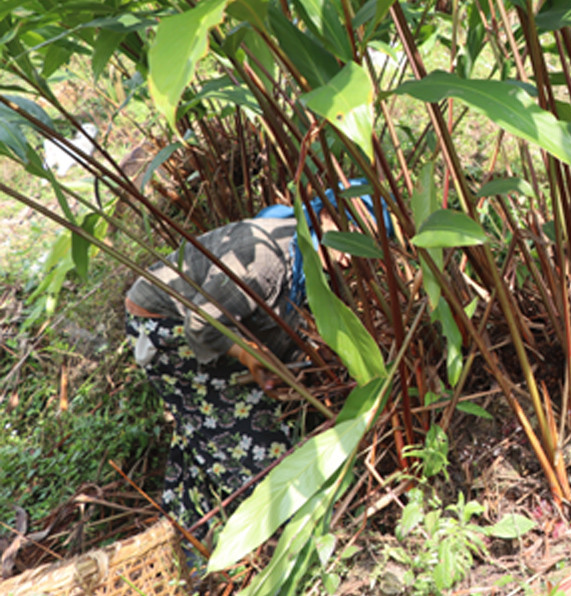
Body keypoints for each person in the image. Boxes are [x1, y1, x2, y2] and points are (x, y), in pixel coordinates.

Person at [124, 187, 386, 535]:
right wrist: (247, 354)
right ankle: (289, 529)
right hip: (164, 325)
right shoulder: (261, 260)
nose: (350, 258)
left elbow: (271, 315)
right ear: (325, 218)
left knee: (206, 426)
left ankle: (189, 531)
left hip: (202, 320)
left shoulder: (302, 252)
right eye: (351, 238)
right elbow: (202, 325)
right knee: (242, 431)